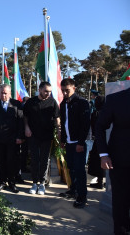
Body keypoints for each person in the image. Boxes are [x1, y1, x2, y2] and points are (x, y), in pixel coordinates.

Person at [96, 87, 130, 234]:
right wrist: (104, 154)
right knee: (121, 201)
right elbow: (100, 126)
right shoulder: (116, 99)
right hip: (121, 160)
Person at [24, 82, 60, 195]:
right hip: (33, 135)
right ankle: (34, 183)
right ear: (39, 90)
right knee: (35, 159)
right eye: (46, 91)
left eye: (49, 91)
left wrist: (59, 130)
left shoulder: (52, 102)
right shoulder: (31, 102)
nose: (48, 93)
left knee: (45, 160)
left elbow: (57, 117)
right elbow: (25, 116)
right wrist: (27, 128)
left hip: (47, 136)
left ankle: (42, 183)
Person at [59, 78, 90, 208]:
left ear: (74, 88)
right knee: (71, 167)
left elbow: (85, 125)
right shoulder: (63, 104)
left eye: (67, 90)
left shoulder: (82, 103)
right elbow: (64, 123)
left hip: (79, 142)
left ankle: (82, 196)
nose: (65, 93)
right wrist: (63, 140)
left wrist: (81, 143)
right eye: (63, 91)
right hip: (69, 142)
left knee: (79, 169)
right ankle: (73, 190)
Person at [0, 84, 23, 193]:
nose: (3, 95)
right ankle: (2, 182)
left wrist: (19, 136)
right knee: (0, 160)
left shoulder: (17, 104)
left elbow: (20, 122)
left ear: (10, 93)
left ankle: (12, 183)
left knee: (11, 161)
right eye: (1, 93)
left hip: (13, 138)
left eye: (5, 93)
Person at [87, 95, 105, 189]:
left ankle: (100, 181)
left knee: (98, 162)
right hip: (107, 140)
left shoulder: (96, 113)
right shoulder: (107, 112)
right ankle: (103, 181)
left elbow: (93, 126)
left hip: (98, 140)